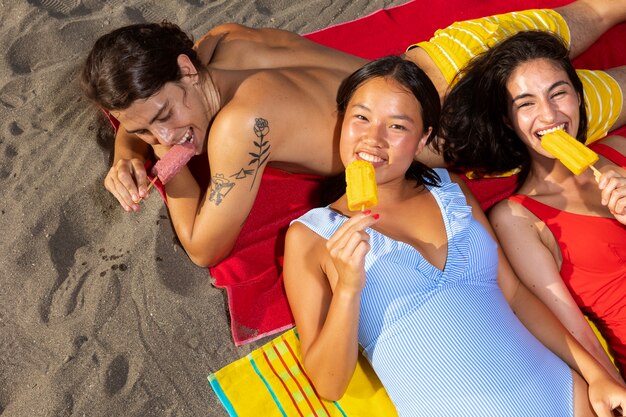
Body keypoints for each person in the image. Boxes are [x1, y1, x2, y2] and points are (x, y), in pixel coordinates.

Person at [81, 0, 626, 267]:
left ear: (184, 69)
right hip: (449, 52)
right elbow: (143, 108)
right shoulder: (223, 41)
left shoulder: (241, 128)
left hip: (471, 125)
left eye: (164, 117)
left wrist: (167, 167)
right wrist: (127, 144)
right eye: (145, 127)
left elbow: (204, 248)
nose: (165, 134)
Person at [283, 55, 626, 417]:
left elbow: (515, 295)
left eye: (397, 126)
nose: (373, 138)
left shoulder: (452, 191)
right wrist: (349, 290)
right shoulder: (313, 235)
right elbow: (328, 384)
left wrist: (596, 375)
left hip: (565, 398)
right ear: (341, 120)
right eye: (361, 117)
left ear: (422, 139)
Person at [439, 31, 626, 380]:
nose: (549, 113)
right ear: (509, 121)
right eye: (527, 103)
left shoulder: (619, 150)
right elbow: (575, 336)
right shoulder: (517, 217)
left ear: (578, 98)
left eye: (559, 93)